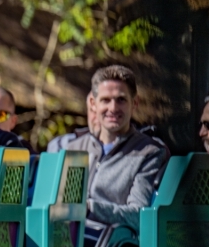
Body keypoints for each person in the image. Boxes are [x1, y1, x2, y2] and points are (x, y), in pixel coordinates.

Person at [58, 65, 167, 232]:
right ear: (93, 104)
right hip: (69, 237)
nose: (113, 108)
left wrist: (90, 208)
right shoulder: (75, 148)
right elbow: (61, 207)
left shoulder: (148, 152)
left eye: (121, 100)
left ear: (135, 103)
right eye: (105, 100)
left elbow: (138, 216)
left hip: (113, 243)